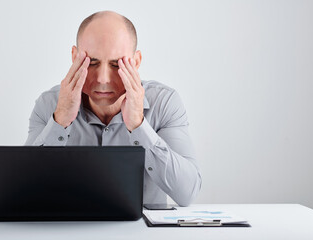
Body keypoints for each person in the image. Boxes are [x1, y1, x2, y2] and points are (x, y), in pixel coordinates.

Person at [25, 10, 201, 206]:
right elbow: (24, 189)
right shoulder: (49, 104)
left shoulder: (164, 103)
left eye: (116, 64)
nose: (103, 79)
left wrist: (139, 126)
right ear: (74, 57)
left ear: (136, 62)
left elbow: (187, 193)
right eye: (92, 62)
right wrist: (60, 120)